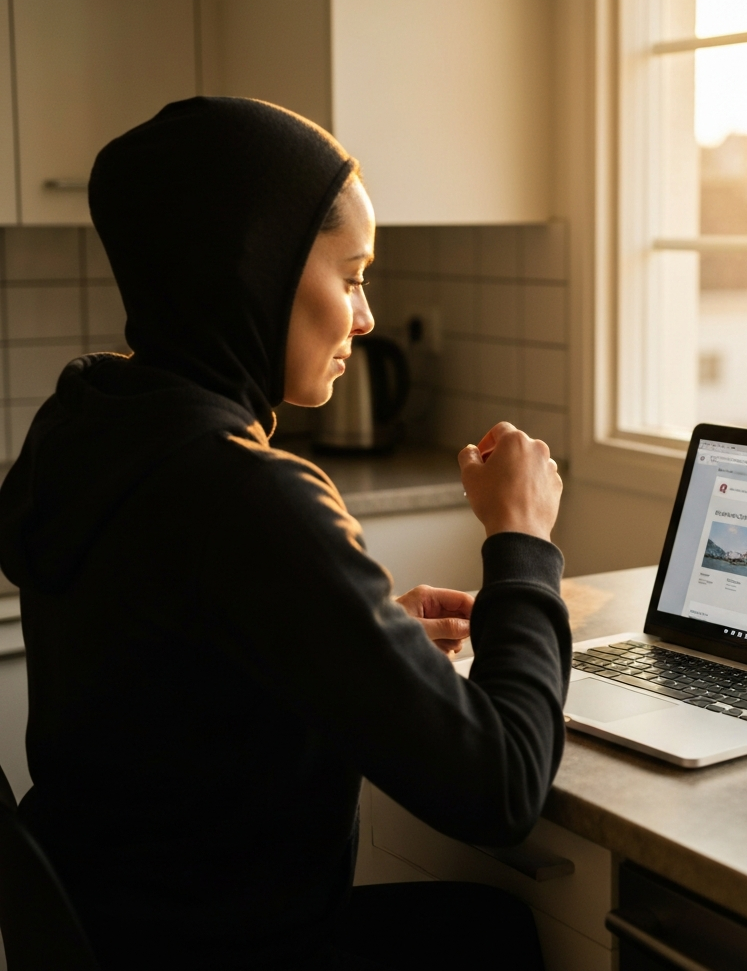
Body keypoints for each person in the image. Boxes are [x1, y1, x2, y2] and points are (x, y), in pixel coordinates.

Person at [0, 98, 569, 971]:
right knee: (500, 934)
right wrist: (520, 539)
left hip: (119, 929)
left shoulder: (88, 426)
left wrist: (351, 638)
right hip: (237, 947)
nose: (367, 316)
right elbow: (501, 786)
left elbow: (173, 682)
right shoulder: (245, 492)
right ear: (253, 270)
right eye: (352, 276)